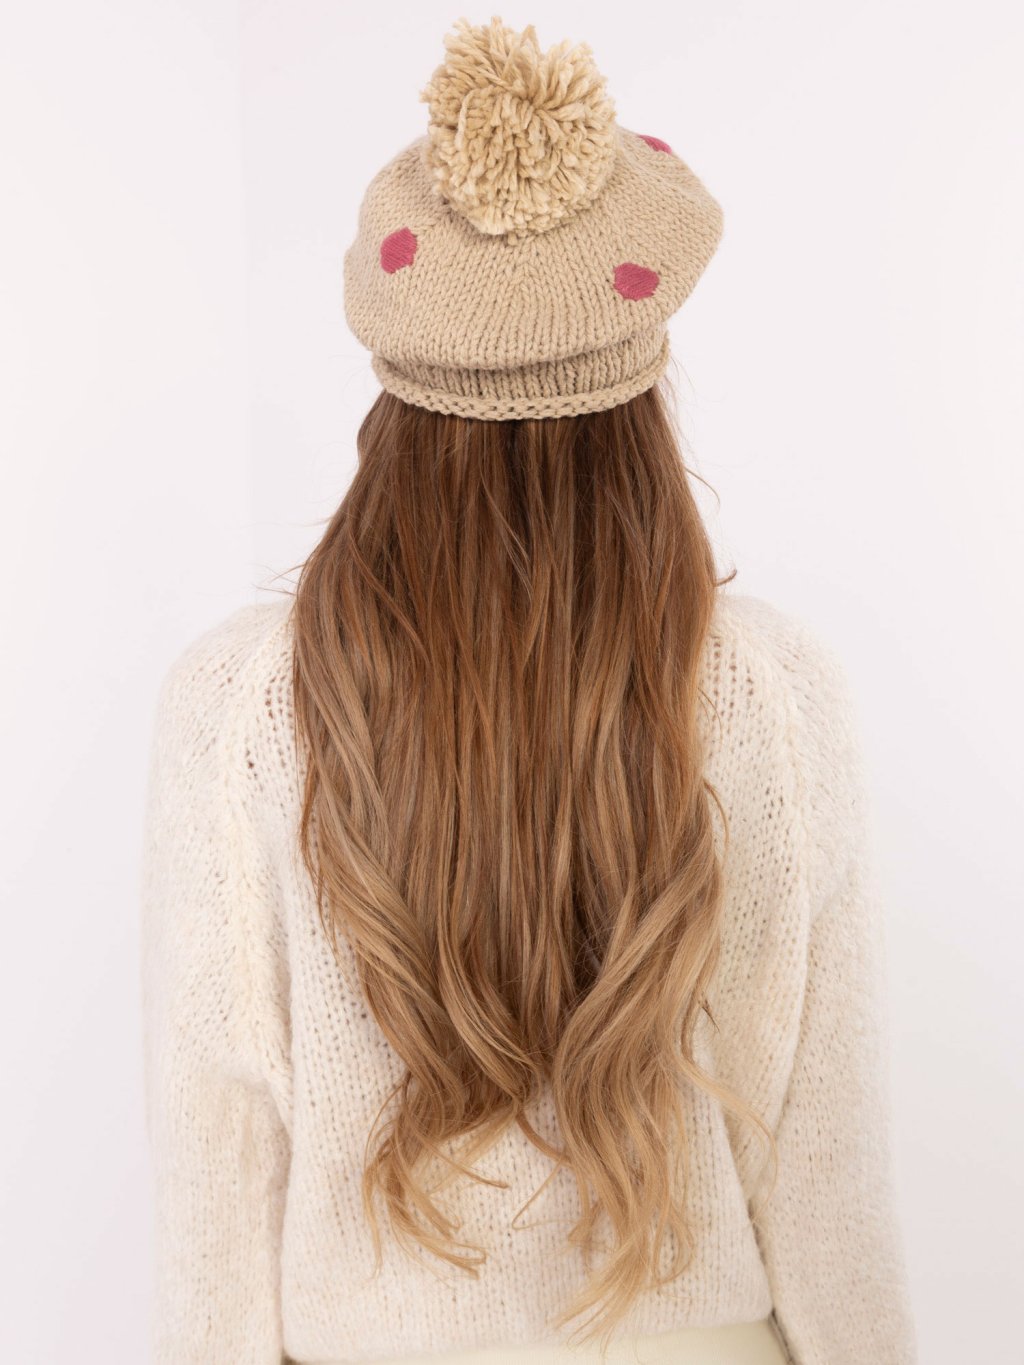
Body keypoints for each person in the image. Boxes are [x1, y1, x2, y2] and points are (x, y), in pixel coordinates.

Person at [139, 17, 917, 1365]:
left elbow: (220, 1159)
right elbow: (822, 1155)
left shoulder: (240, 707)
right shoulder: (773, 693)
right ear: (642, 385)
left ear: (393, 382)